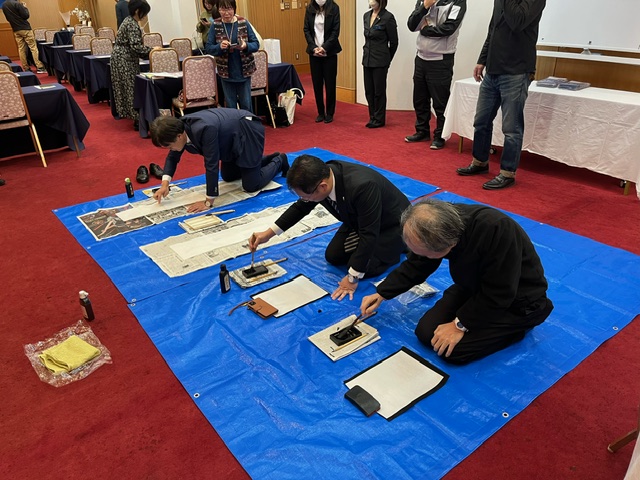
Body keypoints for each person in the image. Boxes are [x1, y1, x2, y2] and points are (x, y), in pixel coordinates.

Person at [360, 199, 553, 364]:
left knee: (453, 352)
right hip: (472, 286)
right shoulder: (437, 221)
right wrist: (383, 292)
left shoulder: (496, 229)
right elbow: (417, 264)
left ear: (451, 245)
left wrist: (460, 325)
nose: (422, 257)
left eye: (427, 254)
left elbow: (500, 291)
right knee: (426, 334)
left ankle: (520, 324)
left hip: (517, 300)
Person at [249, 154, 410, 301]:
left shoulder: (362, 186)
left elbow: (369, 233)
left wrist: (353, 278)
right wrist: (268, 234)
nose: (305, 200)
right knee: (333, 256)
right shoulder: (321, 176)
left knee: (361, 269)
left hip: (392, 226)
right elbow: (300, 207)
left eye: (306, 196)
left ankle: (396, 250)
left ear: (322, 187)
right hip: (358, 221)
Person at [456, 0, 546, 189]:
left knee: (511, 128)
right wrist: (482, 60)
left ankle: (507, 173)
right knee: (481, 121)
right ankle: (480, 162)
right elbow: (493, 30)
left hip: (517, 71)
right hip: (493, 69)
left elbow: (517, 22)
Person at [150, 109, 288, 213]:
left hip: (247, 129)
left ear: (179, 136)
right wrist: (164, 185)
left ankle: (279, 160)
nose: (171, 149)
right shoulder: (179, 129)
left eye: (169, 146)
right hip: (229, 139)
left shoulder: (204, 129)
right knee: (228, 176)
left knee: (251, 185)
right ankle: (260, 160)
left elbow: (211, 164)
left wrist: (208, 202)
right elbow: (172, 157)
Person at [405, 0, 466, 150]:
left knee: (440, 102)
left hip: (441, 59)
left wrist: (425, 29)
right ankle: (422, 131)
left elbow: (448, 28)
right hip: (421, 57)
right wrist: (425, 6)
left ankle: (440, 135)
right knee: (420, 99)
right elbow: (412, 25)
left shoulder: (458, 1)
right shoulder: (424, 1)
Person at [205, 0, 258, 112]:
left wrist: (245, 45)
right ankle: (233, 124)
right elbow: (208, 48)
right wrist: (219, 46)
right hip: (226, 72)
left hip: (244, 71)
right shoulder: (215, 25)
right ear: (218, 10)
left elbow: (256, 44)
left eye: (229, 9)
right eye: (223, 9)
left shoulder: (243, 22)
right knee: (230, 106)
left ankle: (248, 123)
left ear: (234, 9)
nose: (226, 13)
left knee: (246, 104)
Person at [110, 0, 155, 130]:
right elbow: (136, 47)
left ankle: (135, 117)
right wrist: (152, 51)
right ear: (137, 11)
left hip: (121, 57)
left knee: (127, 88)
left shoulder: (128, 21)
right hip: (124, 59)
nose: (145, 16)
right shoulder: (132, 25)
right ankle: (137, 120)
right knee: (131, 88)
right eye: (144, 13)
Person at [303, 0, 341, 124]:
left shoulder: (334, 8)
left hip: (329, 53)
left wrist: (324, 48)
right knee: (317, 84)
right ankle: (320, 112)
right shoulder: (309, 9)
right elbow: (306, 30)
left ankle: (330, 113)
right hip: (314, 53)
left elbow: (335, 32)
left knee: (330, 84)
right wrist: (314, 47)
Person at [362, 0, 398, 129]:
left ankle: (379, 119)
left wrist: (387, 59)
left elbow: (394, 42)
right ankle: (372, 116)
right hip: (367, 59)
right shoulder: (366, 15)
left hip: (380, 60)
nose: (371, 1)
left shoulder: (388, 17)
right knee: (369, 91)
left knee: (379, 91)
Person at [1, 0, 46, 74]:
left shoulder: (4, 5)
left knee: (21, 49)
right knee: (33, 48)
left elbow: (8, 19)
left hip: (15, 29)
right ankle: (40, 67)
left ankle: (26, 68)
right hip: (25, 28)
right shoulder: (17, 4)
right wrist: (24, 7)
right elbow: (26, 16)